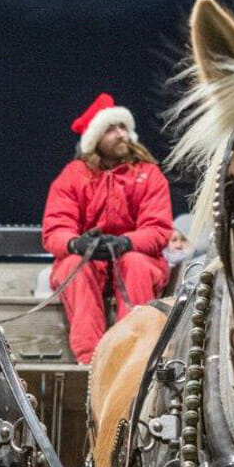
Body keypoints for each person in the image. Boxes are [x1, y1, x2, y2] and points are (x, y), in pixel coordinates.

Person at [42, 92, 173, 364]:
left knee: (135, 263)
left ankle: (133, 355)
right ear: (95, 138)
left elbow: (158, 229)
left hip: (136, 260)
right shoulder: (73, 176)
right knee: (74, 264)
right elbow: (55, 228)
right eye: (111, 129)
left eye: (123, 127)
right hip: (92, 264)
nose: (120, 133)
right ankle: (90, 360)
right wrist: (75, 244)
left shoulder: (148, 174)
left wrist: (126, 242)